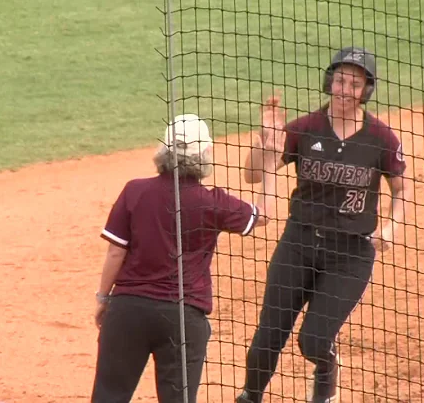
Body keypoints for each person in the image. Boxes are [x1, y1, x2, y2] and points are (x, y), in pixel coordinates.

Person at [236, 47, 409, 403]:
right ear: (330, 82)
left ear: (367, 90)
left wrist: (391, 227)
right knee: (269, 333)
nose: (345, 90)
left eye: (355, 84)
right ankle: (249, 397)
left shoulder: (381, 138)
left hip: (350, 253)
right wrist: (265, 140)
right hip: (298, 243)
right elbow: (253, 174)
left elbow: (401, 189)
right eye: (341, 80)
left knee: (314, 339)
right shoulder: (305, 128)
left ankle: (326, 378)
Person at [90, 109, 281, 403]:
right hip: (182, 319)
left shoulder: (135, 191)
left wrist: (104, 299)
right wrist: (269, 160)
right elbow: (265, 214)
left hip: (128, 312)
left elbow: (116, 252)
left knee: (108, 397)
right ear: (205, 154)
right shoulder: (212, 202)